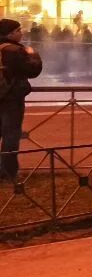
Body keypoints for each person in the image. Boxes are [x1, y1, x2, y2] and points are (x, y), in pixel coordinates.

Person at [0, 19, 43, 181]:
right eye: (18, 30)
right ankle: (8, 172)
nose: (21, 32)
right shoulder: (15, 50)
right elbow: (32, 70)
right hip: (11, 97)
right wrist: (33, 55)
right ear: (10, 33)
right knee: (11, 134)